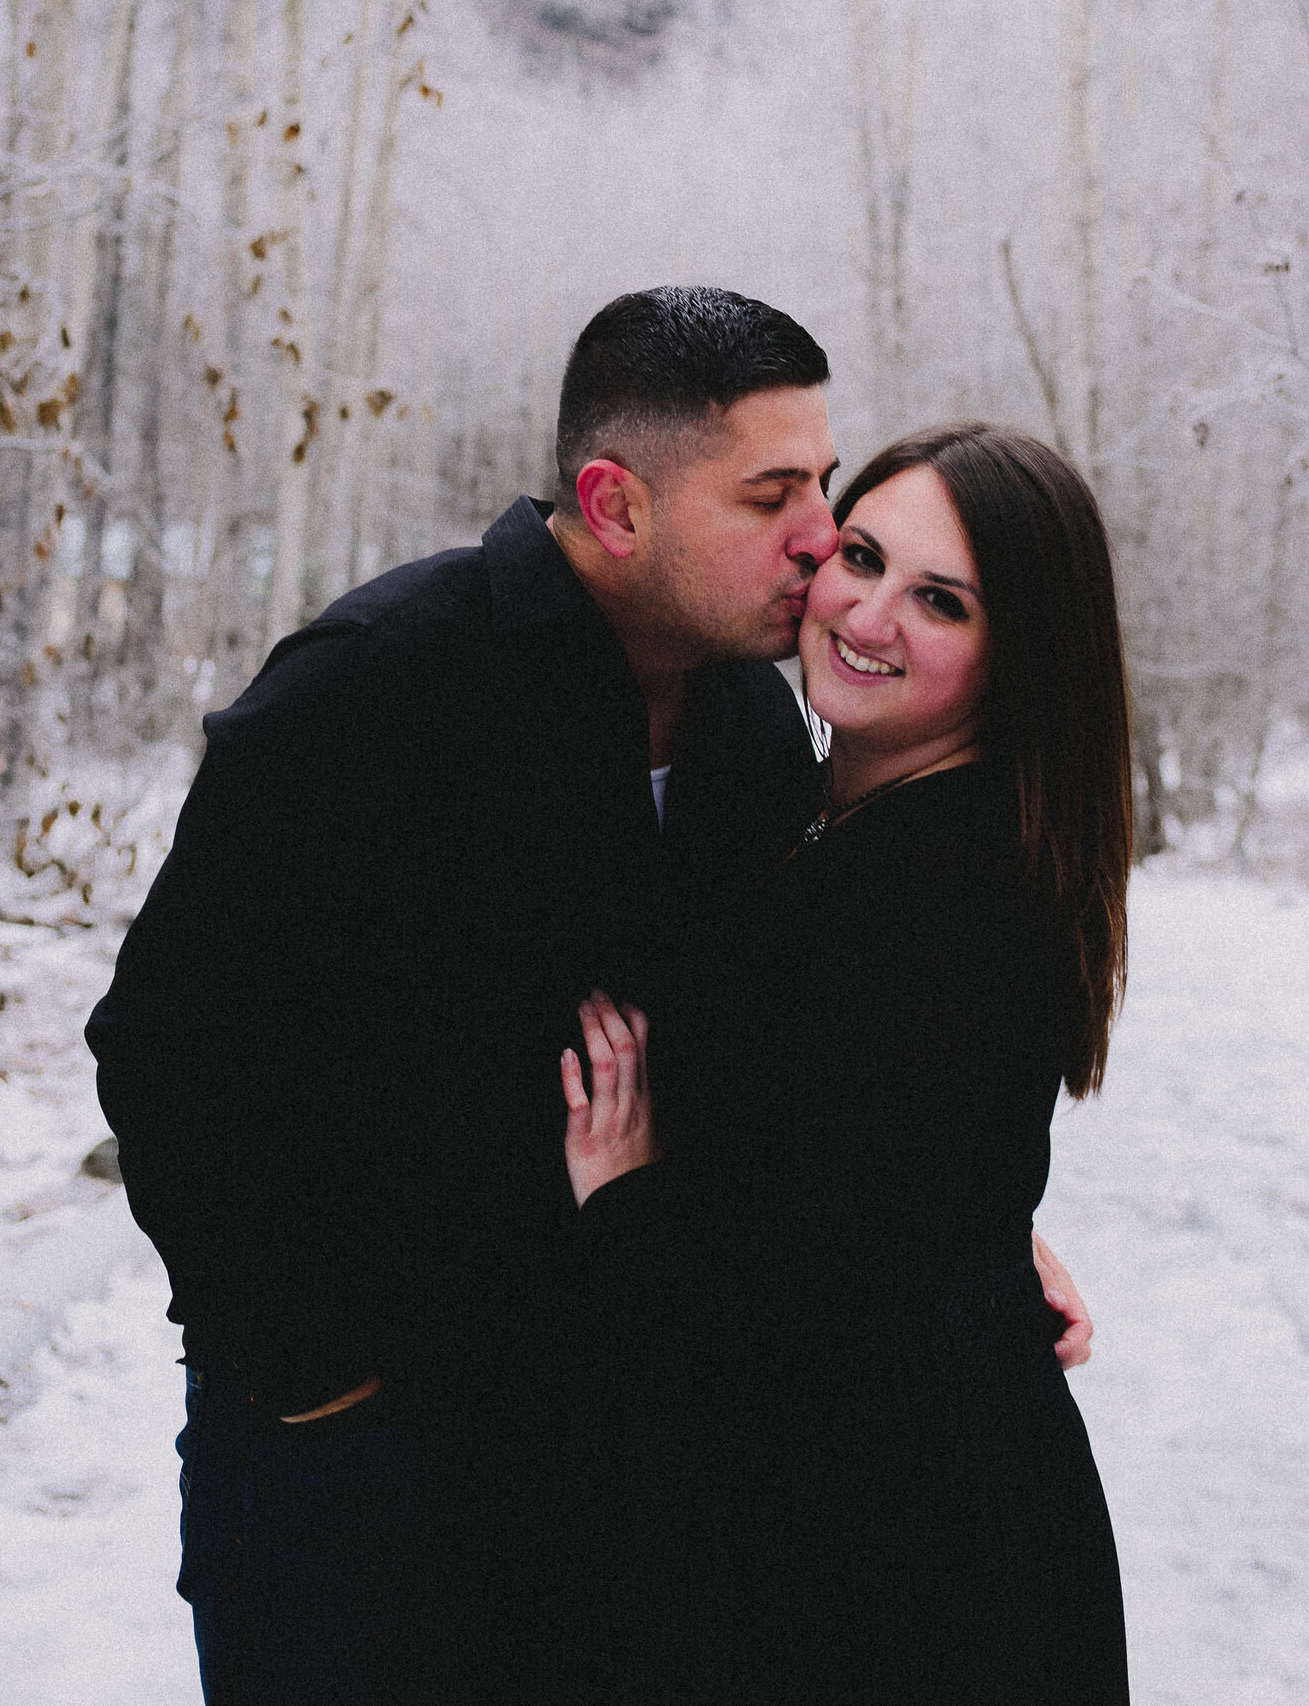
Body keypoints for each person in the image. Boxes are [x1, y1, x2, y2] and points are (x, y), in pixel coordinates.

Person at [85, 289, 1094, 1703]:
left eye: (822, 477)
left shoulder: (754, 720)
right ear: (616, 506)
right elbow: (167, 1049)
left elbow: (800, 1045)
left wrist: (952, 1230)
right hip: (358, 1459)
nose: (818, 533)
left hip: (608, 1458)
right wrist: (312, 1372)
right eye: (771, 495)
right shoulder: (379, 692)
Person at [564, 421, 1131, 1703]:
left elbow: (791, 1291)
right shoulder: (884, 824)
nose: (867, 614)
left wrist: (625, 1194)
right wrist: (985, 1237)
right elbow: (883, 1162)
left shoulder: (927, 887)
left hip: (892, 1557)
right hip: (903, 1495)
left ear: (1017, 651)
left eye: (940, 600)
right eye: (858, 556)